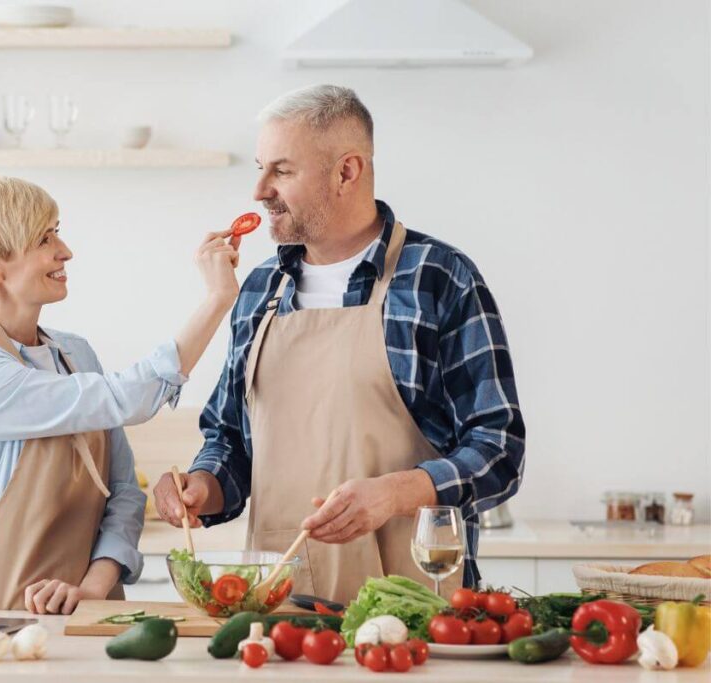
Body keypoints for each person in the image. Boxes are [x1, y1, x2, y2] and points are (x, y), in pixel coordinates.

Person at [154, 85, 525, 602]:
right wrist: (201, 486)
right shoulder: (261, 288)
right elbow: (230, 440)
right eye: (260, 168)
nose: (259, 190)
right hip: (276, 604)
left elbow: (500, 450)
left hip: (415, 605)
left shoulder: (438, 277)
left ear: (346, 172)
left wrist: (394, 493)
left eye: (281, 171)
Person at [0, 176, 240, 613]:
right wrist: (216, 299)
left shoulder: (75, 354)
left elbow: (125, 491)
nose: (65, 250)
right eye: (43, 238)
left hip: (96, 616)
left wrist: (94, 590)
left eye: (57, 230)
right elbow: (126, 397)